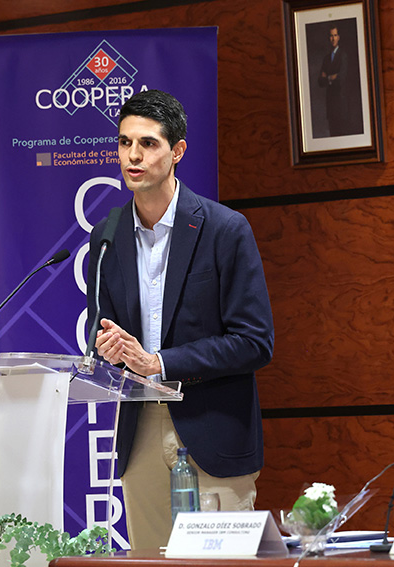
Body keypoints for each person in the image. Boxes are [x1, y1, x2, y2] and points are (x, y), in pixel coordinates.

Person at [86, 89, 274, 550]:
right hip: (139, 431)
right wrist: (106, 346)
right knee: (150, 561)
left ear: (178, 151)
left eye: (148, 143)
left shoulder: (224, 229)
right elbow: (100, 327)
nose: (133, 155)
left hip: (211, 427)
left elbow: (255, 341)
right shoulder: (106, 235)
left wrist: (160, 362)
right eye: (125, 142)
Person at [317, 25, 350, 136]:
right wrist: (332, 77)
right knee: (333, 134)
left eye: (335, 35)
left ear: (339, 37)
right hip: (330, 105)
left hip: (340, 104)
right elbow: (320, 82)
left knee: (342, 135)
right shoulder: (326, 58)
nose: (333, 39)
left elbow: (341, 79)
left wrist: (327, 77)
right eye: (331, 36)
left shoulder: (343, 56)